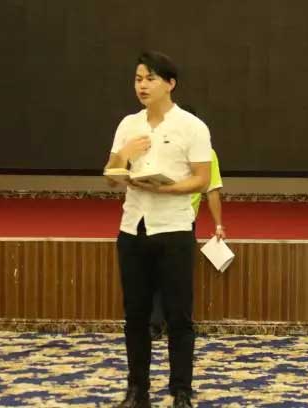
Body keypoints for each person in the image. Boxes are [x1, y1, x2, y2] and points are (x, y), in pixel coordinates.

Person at [104, 50, 212, 408]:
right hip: (132, 228)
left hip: (174, 229)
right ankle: (138, 391)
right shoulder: (127, 125)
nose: (142, 86)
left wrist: (166, 188)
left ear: (170, 84)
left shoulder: (192, 127)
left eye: (150, 79)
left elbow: (202, 179)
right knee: (135, 316)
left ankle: (181, 392)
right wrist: (124, 154)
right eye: (138, 79)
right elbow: (111, 177)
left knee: (178, 316)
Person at [150, 146, 226, 341]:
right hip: (162, 218)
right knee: (163, 273)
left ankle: (171, 327)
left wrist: (218, 225)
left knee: (175, 276)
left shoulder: (206, 152)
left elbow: (212, 190)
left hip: (180, 220)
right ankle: (159, 325)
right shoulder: (168, 147)